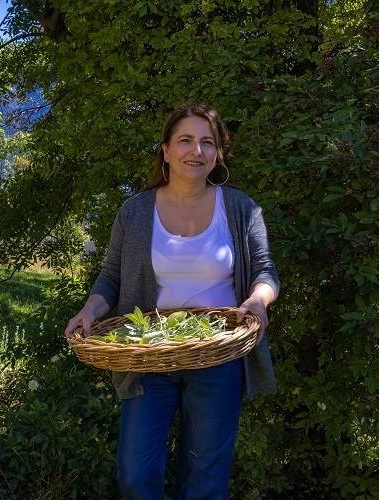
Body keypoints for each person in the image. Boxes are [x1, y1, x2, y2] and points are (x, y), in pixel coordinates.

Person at [64, 102, 280, 500]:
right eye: (185, 140)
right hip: (151, 354)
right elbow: (111, 275)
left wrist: (257, 301)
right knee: (135, 473)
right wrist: (90, 310)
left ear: (218, 153)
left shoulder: (240, 208)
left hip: (218, 355)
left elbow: (266, 271)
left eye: (206, 142)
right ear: (165, 150)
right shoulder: (135, 211)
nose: (195, 151)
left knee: (206, 477)